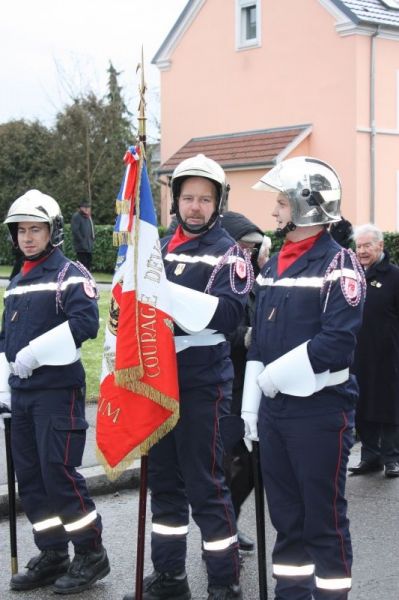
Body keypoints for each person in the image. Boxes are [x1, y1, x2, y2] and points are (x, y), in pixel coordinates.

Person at [123, 155, 251, 600]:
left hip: (200, 385)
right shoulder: (155, 247)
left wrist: (161, 294)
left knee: (206, 485)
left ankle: (223, 582)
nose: (195, 207)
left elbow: (230, 315)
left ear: (218, 204)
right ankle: (170, 577)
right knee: (164, 486)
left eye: (205, 199)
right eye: (188, 197)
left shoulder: (230, 254)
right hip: (156, 383)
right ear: (175, 200)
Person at [241, 157, 366, 600]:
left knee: (323, 519)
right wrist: (251, 404)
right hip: (275, 411)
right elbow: (258, 337)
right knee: (287, 518)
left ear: (305, 205)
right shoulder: (273, 266)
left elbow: (336, 343)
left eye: (280, 202)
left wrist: (275, 375)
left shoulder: (340, 267)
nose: (274, 212)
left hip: (319, 412)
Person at [0, 190, 110, 594]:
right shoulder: (18, 278)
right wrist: (3, 384)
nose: (27, 237)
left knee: (58, 475)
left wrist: (33, 354)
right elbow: (4, 336)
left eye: (35, 229)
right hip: (23, 394)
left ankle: (91, 553)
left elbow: (85, 324)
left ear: (53, 231)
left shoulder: (71, 273)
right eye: (21, 230)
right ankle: (52, 552)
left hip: (56, 393)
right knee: (30, 479)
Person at [220, 210, 271, 553]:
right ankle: (221, 531)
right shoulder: (217, 278)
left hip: (253, 387)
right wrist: (247, 336)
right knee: (228, 464)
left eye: (253, 249)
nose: (248, 254)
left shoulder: (253, 281)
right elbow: (212, 326)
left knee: (255, 464)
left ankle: (230, 520)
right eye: (242, 246)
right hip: (223, 388)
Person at [349, 224, 399, 478]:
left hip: (388, 354)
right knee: (363, 402)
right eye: (359, 246)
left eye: (367, 245)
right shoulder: (353, 276)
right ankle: (370, 457)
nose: (362, 251)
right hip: (359, 353)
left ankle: (392, 458)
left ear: (380, 245)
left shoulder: (394, 276)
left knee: (389, 405)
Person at [71, 200, 95, 270]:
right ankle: (82, 278)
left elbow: (92, 229)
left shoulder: (88, 217)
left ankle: (87, 278)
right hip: (81, 247)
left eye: (88, 207)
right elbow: (75, 231)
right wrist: (82, 242)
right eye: (85, 207)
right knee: (82, 265)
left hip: (88, 245)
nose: (87, 209)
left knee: (88, 263)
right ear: (81, 208)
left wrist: (91, 240)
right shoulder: (77, 216)